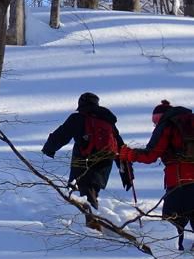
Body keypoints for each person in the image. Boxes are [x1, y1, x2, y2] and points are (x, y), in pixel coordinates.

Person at [42, 92, 133, 229]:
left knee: (84, 192)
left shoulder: (78, 118)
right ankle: (93, 222)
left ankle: (93, 226)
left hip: (84, 161)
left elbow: (62, 134)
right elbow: (119, 146)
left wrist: (49, 149)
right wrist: (127, 173)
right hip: (105, 162)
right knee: (90, 191)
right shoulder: (108, 121)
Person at [120, 100, 194, 251]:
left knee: (170, 226)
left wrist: (129, 154)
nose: (155, 125)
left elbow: (150, 155)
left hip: (180, 182)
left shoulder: (167, 125)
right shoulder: (189, 122)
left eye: (155, 122)